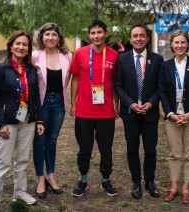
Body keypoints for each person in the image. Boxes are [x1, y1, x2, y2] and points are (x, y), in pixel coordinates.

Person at [0, 30, 44, 212]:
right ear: (11, 46)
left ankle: (19, 192)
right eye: (17, 44)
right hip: (8, 123)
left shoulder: (32, 71)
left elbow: (35, 97)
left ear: (28, 49)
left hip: (28, 122)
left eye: (25, 44)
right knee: (2, 163)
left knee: (22, 161)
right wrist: (0, 123)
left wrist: (40, 120)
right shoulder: (0, 69)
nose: (21, 47)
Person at [70, 19, 119, 197]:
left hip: (106, 111)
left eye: (99, 32)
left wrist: (116, 105)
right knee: (84, 147)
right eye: (93, 33)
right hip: (84, 111)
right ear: (89, 35)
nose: (96, 36)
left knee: (106, 147)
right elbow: (75, 78)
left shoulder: (113, 55)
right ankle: (83, 179)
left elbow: (115, 83)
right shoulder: (80, 53)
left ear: (105, 34)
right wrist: (73, 104)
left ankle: (106, 180)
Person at [114, 24, 163, 199]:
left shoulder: (157, 59)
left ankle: (149, 181)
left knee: (150, 149)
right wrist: (130, 103)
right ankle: (136, 182)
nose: (138, 39)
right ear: (131, 38)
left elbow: (160, 87)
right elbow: (118, 86)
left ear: (147, 38)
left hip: (150, 113)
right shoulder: (122, 59)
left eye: (142, 35)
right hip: (131, 113)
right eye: (135, 36)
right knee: (132, 149)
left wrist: (151, 103)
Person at [158, 29, 189, 204]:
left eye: (183, 42)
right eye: (176, 42)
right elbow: (162, 91)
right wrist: (170, 114)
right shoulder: (165, 66)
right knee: (174, 153)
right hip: (173, 117)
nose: (179, 45)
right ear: (172, 45)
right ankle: (174, 187)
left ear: (188, 44)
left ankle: (186, 188)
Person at [31, 23, 72, 199]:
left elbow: (69, 80)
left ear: (59, 38)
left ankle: (51, 176)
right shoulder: (34, 56)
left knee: (52, 141)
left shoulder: (67, 56)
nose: (50, 37)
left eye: (54, 34)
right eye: (47, 34)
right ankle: (40, 179)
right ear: (41, 37)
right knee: (39, 141)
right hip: (41, 104)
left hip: (59, 103)